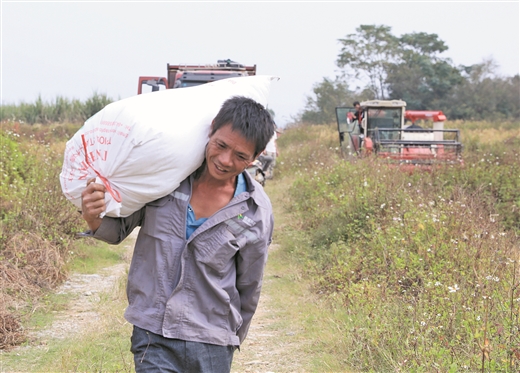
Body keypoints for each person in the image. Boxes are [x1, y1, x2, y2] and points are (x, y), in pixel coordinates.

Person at [80, 96, 275, 373]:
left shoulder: (255, 211)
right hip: (153, 334)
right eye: (221, 145)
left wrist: (230, 339)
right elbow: (118, 231)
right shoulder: (165, 180)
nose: (224, 160)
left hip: (212, 343)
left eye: (241, 156)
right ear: (211, 130)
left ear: (256, 157)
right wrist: (92, 216)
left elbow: (249, 285)